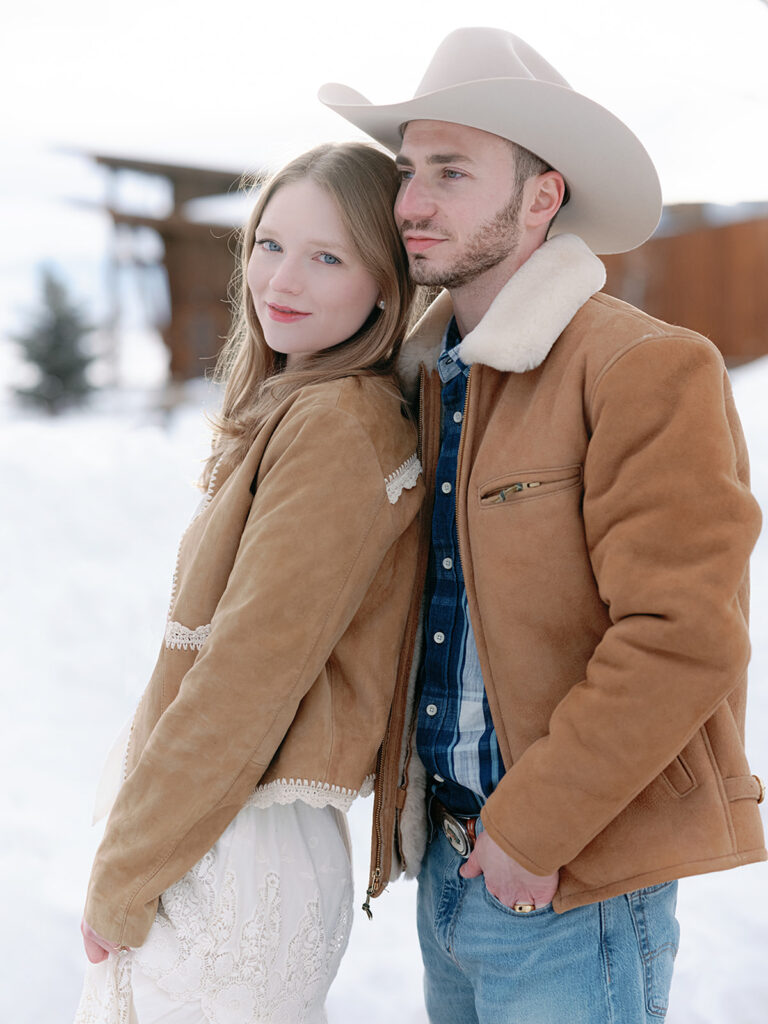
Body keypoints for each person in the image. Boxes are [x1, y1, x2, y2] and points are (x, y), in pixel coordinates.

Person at [320, 27, 766, 1023]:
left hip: (571, 882)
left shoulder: (644, 368)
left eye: (450, 171)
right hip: (454, 864)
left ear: (541, 196)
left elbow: (683, 636)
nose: (412, 203)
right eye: (406, 171)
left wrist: (532, 830)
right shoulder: (431, 383)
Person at [73, 141, 425, 1024]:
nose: (283, 279)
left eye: (328, 256)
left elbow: (245, 677)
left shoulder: (338, 426)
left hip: (233, 848)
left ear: (386, 285)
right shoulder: (313, 408)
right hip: (228, 834)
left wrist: (124, 872)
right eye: (269, 243)